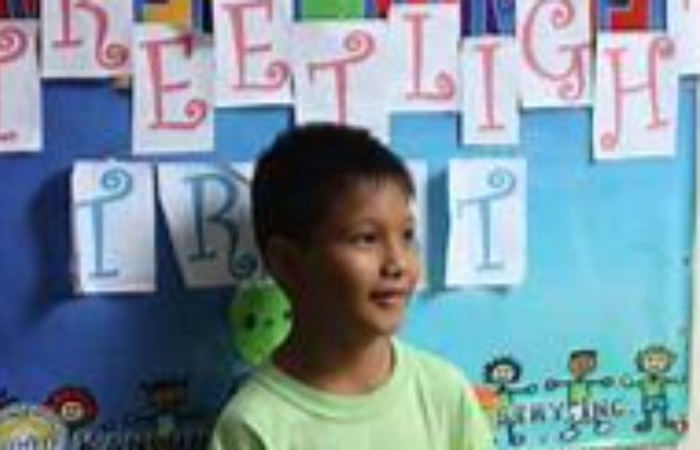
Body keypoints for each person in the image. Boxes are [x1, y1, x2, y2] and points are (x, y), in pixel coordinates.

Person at [208, 123, 496, 450]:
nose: (397, 263)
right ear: (288, 263)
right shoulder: (254, 424)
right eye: (366, 238)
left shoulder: (444, 392)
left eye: (407, 236)